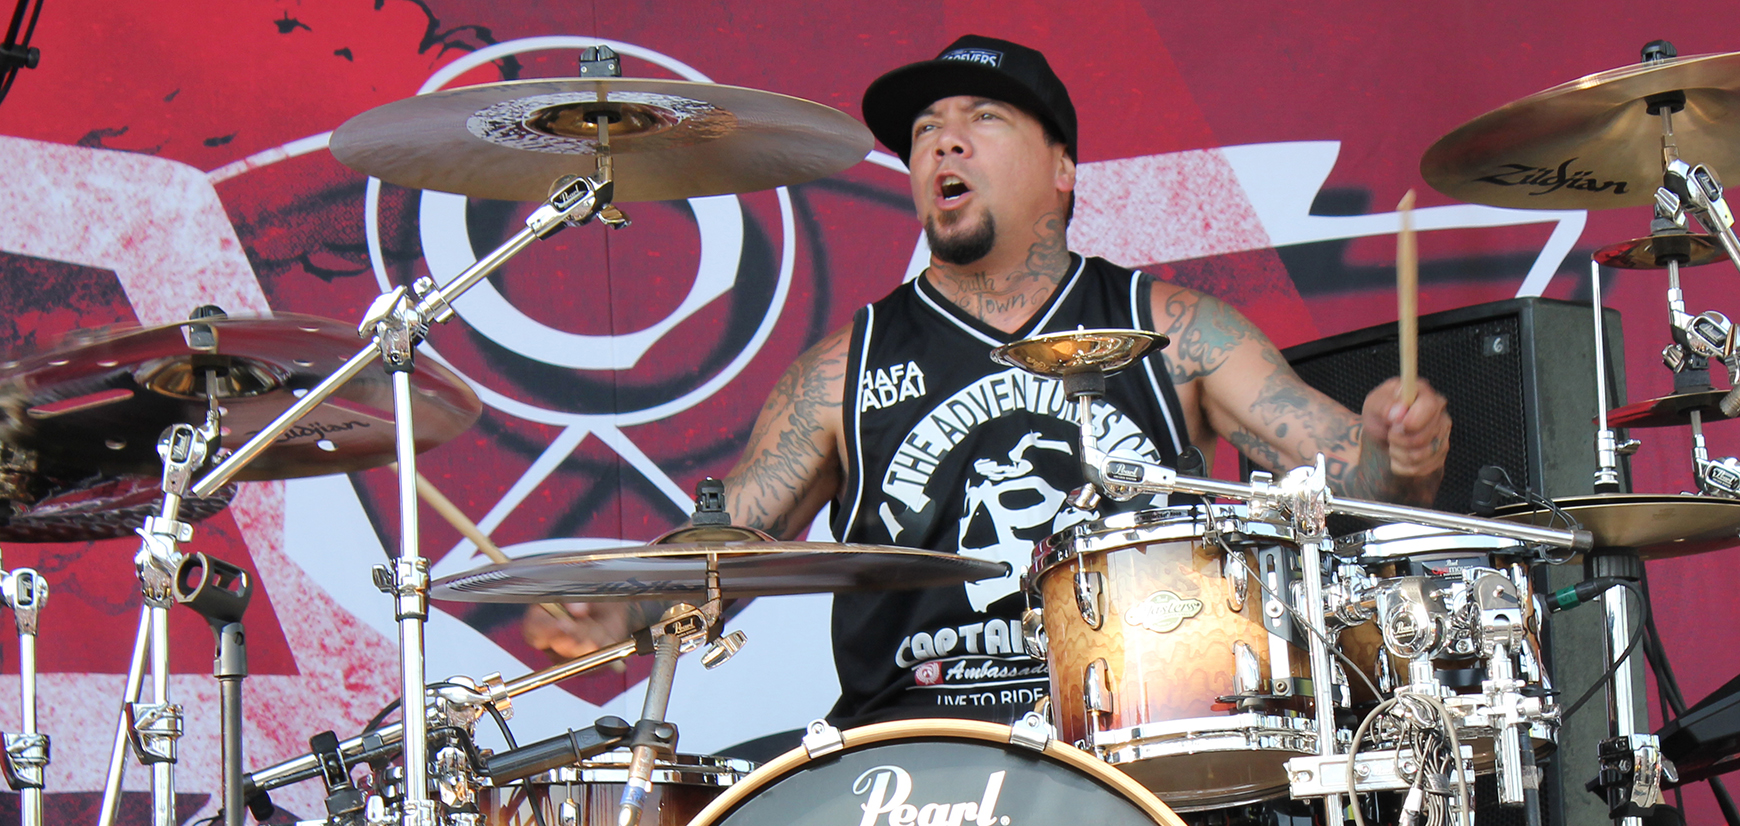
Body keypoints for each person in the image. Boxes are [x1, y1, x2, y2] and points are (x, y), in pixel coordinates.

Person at [527, 33, 1452, 731]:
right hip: (915, 759)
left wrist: (1399, 454)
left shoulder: (1176, 331)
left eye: (983, 119)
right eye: (926, 131)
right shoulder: (841, 369)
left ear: (1063, 168)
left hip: (1132, 747)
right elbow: (726, 553)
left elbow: (1358, 485)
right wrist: (624, 603)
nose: (944, 144)